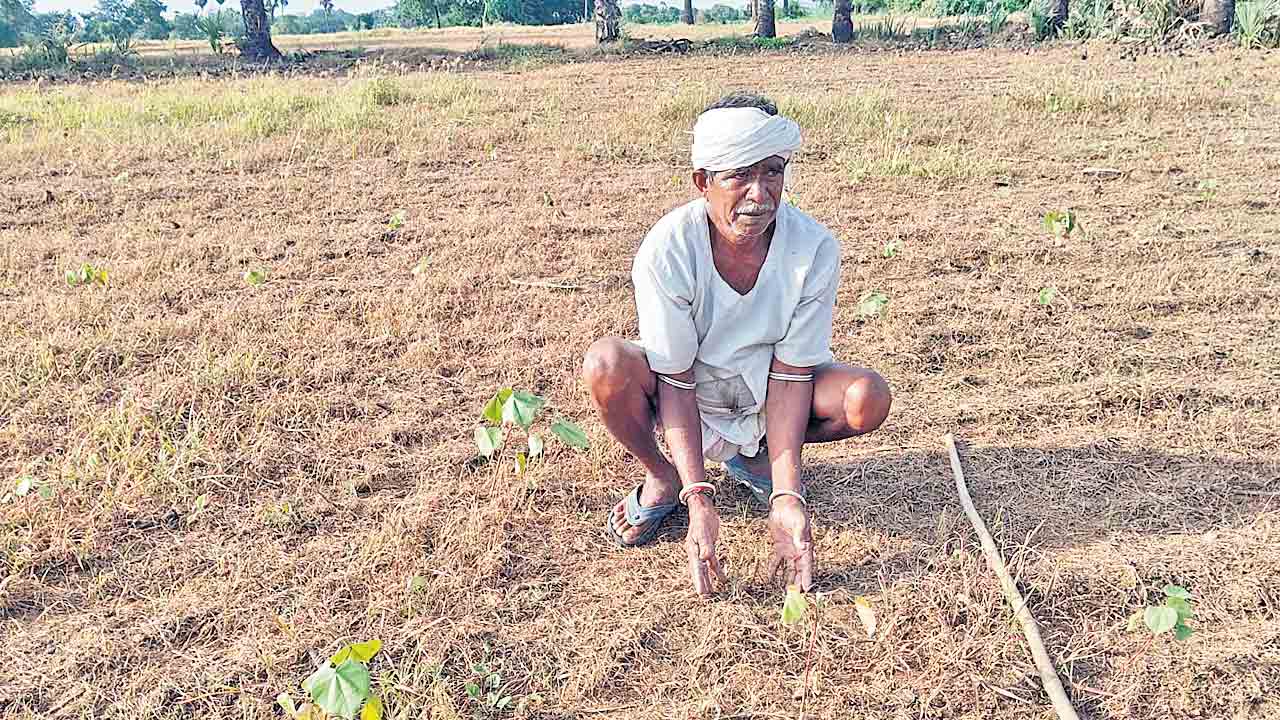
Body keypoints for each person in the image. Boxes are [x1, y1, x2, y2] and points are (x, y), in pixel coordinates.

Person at [582, 92, 892, 596]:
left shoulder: (812, 247)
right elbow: (677, 378)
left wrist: (788, 492)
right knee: (606, 364)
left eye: (772, 171)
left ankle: (758, 458)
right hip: (686, 397)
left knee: (866, 398)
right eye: (739, 175)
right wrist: (698, 497)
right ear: (702, 182)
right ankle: (663, 478)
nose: (760, 193)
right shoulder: (669, 249)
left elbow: (792, 374)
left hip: (767, 394)